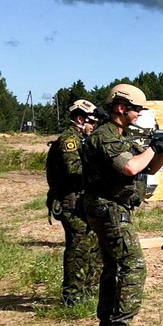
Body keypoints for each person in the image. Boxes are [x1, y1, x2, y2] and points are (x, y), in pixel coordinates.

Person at [81, 84, 163, 326]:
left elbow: (149, 166)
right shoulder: (105, 136)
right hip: (108, 208)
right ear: (121, 108)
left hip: (112, 208)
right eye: (135, 109)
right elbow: (131, 167)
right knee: (133, 265)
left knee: (113, 268)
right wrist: (152, 146)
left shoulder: (119, 135)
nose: (138, 114)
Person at [46, 99, 102, 306]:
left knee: (92, 246)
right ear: (80, 119)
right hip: (70, 202)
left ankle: (89, 290)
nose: (93, 127)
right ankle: (73, 295)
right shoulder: (69, 141)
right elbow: (73, 170)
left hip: (80, 201)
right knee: (78, 249)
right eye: (91, 123)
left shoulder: (80, 140)